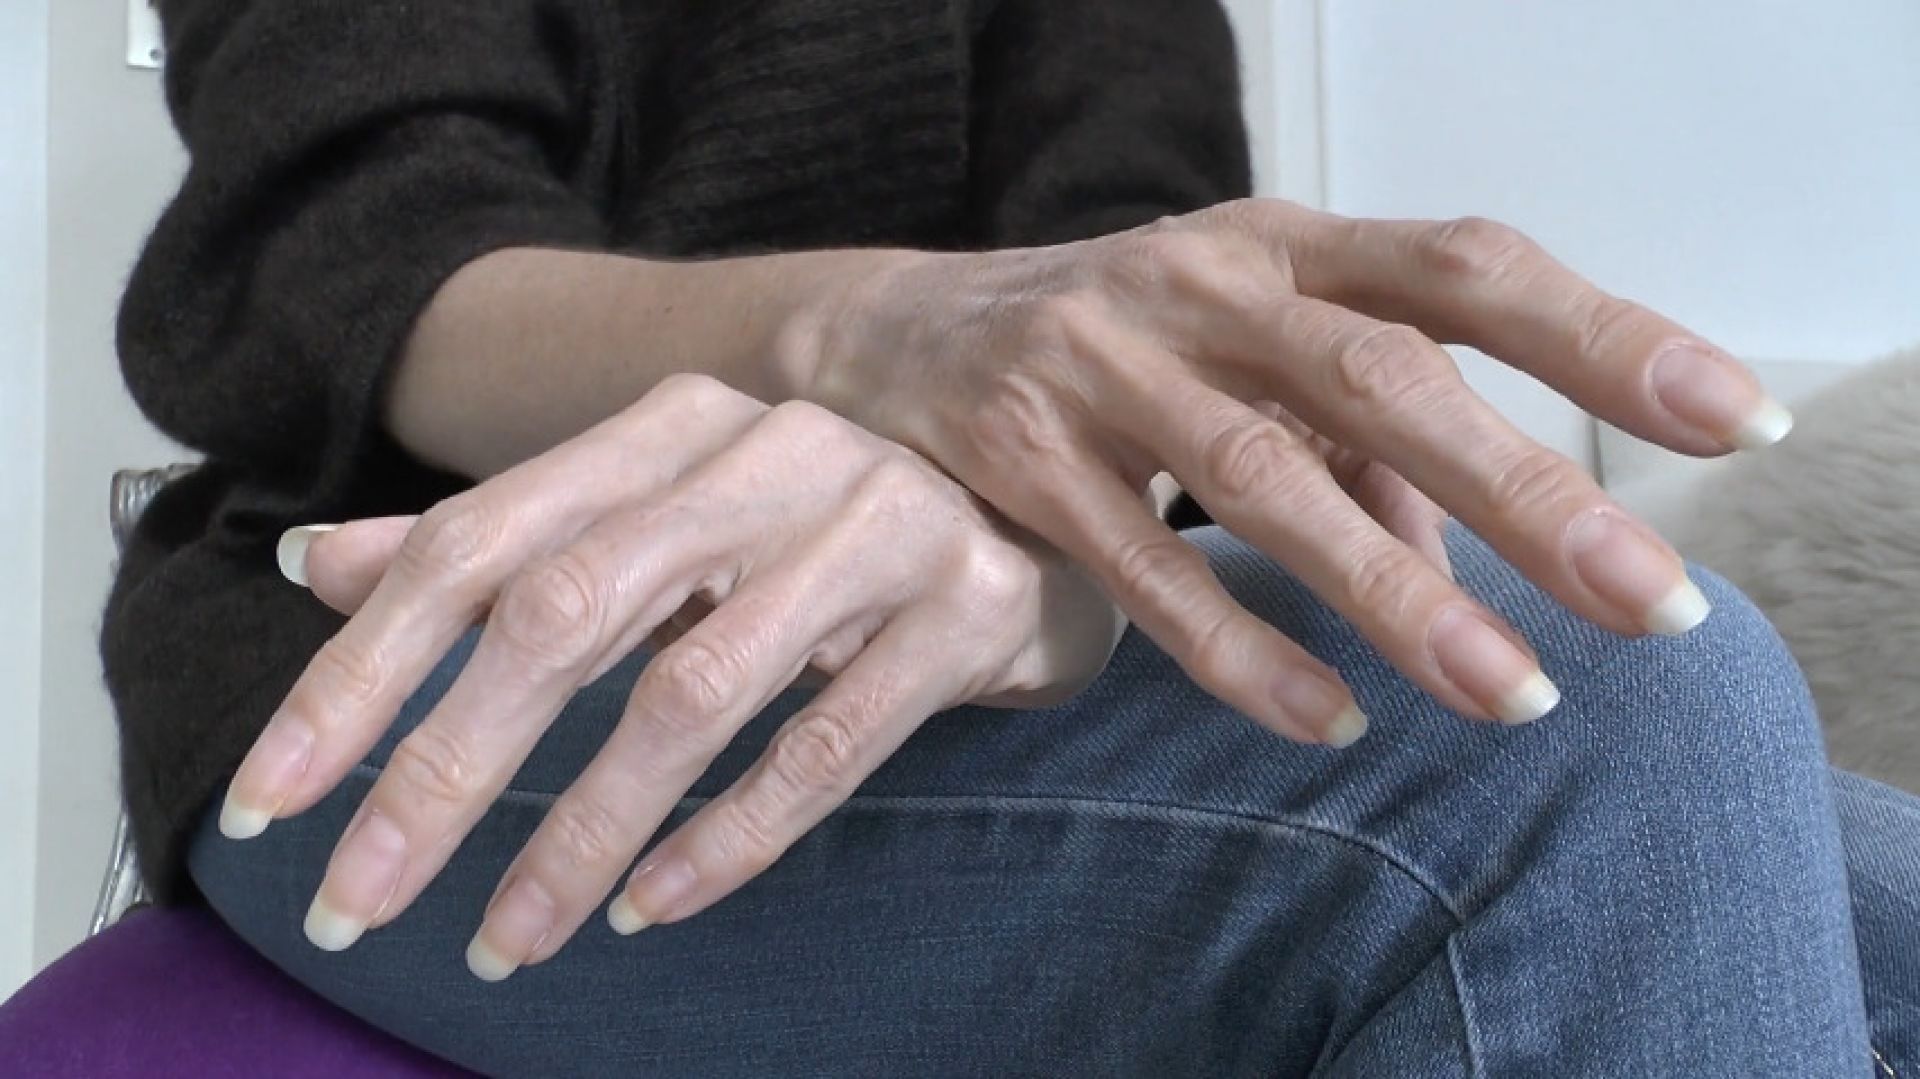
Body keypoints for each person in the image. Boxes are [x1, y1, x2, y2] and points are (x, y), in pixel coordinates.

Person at [105, 0, 1915, 1075]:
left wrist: (1049, 539)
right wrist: (872, 345)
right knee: (1614, 741)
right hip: (435, 628)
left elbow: (1130, 251)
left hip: (997, 607)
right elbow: (355, 264)